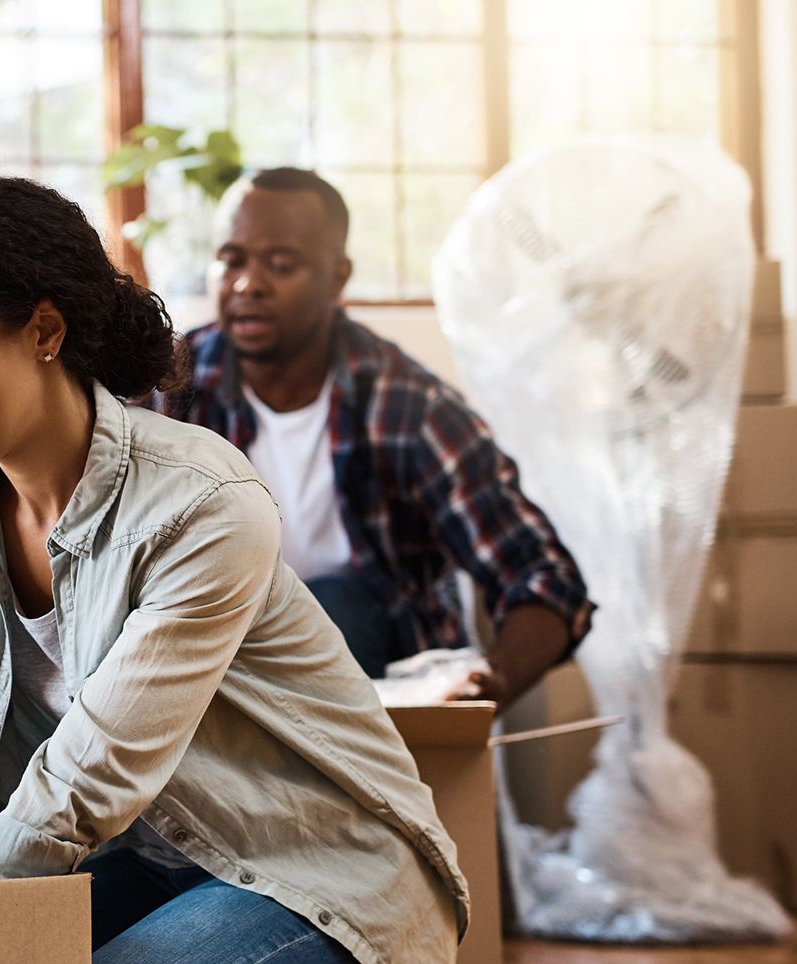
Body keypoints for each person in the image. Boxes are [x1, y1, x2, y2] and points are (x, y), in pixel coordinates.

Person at [0, 177, 466, 964]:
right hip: (131, 863)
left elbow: (86, 776)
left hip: (308, 876)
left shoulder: (202, 506)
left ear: (44, 331)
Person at [142, 168, 592, 704]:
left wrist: (487, 684)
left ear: (338, 277)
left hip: (374, 697)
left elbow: (544, 578)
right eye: (231, 260)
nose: (247, 284)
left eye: (281, 264)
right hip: (213, 684)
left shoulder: (411, 407)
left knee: (332, 603)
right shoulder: (173, 390)